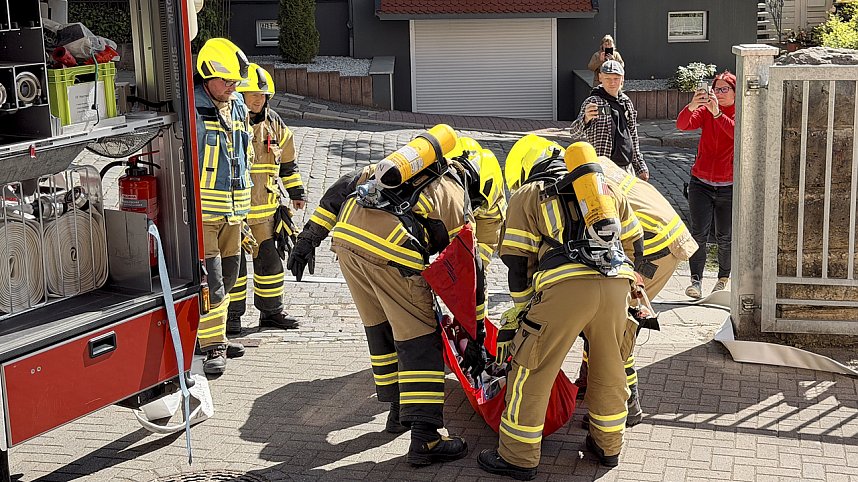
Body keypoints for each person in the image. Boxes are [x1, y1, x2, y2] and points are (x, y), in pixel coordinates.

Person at [287, 126, 504, 467]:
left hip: (347, 245)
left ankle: (396, 411)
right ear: (479, 184)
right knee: (421, 340)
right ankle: (426, 439)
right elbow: (468, 273)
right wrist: (474, 334)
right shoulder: (454, 194)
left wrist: (308, 239)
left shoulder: (398, 167)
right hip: (393, 255)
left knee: (382, 328)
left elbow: (341, 189)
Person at [478, 141, 643, 480]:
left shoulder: (531, 193)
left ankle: (518, 456)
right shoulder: (605, 189)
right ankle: (607, 446)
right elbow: (635, 244)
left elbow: (516, 259)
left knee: (532, 369)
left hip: (565, 289)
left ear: (526, 168)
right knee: (610, 368)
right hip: (616, 285)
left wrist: (523, 308)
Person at [574, 153, 699, 427]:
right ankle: (588, 380)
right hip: (666, 237)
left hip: (651, 247)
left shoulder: (586, 188)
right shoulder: (598, 167)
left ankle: (626, 405)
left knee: (616, 328)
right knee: (603, 324)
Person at [226, 63, 305, 334]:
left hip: (267, 213)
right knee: (234, 269)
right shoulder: (231, 122)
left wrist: (296, 193)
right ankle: (231, 318)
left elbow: (288, 164)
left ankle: (271, 313)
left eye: (262, 95)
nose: (258, 100)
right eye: (252, 95)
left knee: (270, 264)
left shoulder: (276, 124)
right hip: (235, 212)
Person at [193, 38, 253, 375]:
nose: (232, 87)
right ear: (207, 74)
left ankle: (216, 335)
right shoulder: (194, 108)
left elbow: (246, 157)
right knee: (211, 282)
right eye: (226, 81)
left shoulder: (239, 105)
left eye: (235, 82)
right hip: (205, 216)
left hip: (235, 213)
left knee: (229, 278)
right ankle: (213, 347)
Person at [676, 70, 736, 298]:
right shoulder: (706, 110)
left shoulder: (738, 111)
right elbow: (683, 125)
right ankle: (696, 281)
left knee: (725, 236)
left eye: (724, 89)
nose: (719, 93)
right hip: (700, 181)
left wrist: (718, 114)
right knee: (698, 234)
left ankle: (723, 278)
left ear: (734, 92)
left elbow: (735, 133)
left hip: (728, 185)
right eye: (716, 89)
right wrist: (691, 106)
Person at [570, 60, 649, 181]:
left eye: (616, 79)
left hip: (627, 168)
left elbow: (633, 136)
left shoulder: (626, 102)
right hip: (603, 169)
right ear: (600, 77)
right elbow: (574, 133)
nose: (612, 83)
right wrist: (585, 119)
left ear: (622, 78)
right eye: (608, 78)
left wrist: (640, 167)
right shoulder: (594, 101)